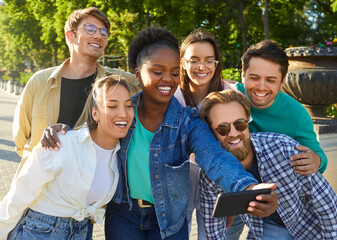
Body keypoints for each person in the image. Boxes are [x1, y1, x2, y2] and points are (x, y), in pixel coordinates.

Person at [40, 27, 278, 240]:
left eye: (175, 72)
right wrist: (63, 131)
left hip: (170, 219)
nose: (168, 79)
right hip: (123, 214)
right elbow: (90, 132)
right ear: (137, 72)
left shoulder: (188, 122)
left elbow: (214, 157)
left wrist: (247, 188)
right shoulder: (123, 113)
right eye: (157, 71)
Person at [198, 89, 337, 240]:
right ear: (211, 132)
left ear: (248, 121)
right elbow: (213, 228)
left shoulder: (283, 148)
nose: (233, 133)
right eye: (223, 128)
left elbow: (326, 201)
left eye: (240, 124)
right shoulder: (210, 175)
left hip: (310, 227)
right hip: (269, 229)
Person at [0, 76, 135, 239]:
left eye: (128, 105)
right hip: (39, 231)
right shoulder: (61, 143)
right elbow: (19, 195)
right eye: (112, 106)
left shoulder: (121, 154)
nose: (123, 113)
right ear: (95, 114)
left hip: (81, 232)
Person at [12, 7, 138, 172]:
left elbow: (151, 81)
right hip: (41, 183)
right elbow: (20, 138)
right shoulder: (40, 81)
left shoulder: (116, 81)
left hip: (91, 185)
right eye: (90, 29)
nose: (98, 35)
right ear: (70, 36)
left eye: (104, 32)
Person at [227, 39, 329, 239]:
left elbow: (319, 157)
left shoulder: (297, 114)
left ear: (283, 81)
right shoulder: (230, 99)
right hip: (235, 187)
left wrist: (316, 160)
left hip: (274, 202)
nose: (261, 87)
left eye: (271, 80)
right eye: (254, 77)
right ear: (243, 75)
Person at [174, 29, 234, 239]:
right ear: (182, 62)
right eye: (194, 60)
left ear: (216, 64)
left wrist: (232, 194)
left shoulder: (229, 93)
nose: (202, 67)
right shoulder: (173, 96)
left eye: (209, 60)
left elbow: (239, 142)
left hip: (217, 176)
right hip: (180, 175)